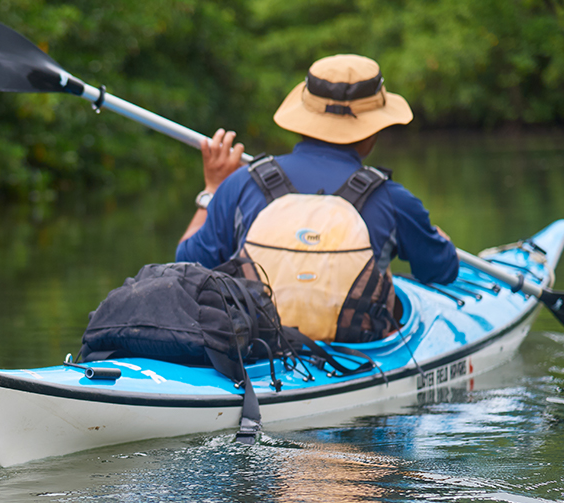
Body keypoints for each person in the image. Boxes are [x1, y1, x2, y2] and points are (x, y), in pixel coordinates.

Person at [176, 54, 458, 343]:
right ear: (372, 132)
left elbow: (186, 265)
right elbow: (441, 270)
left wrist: (211, 190)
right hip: (355, 357)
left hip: (259, 354)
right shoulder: (395, 200)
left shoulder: (240, 184)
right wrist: (440, 240)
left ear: (303, 119)